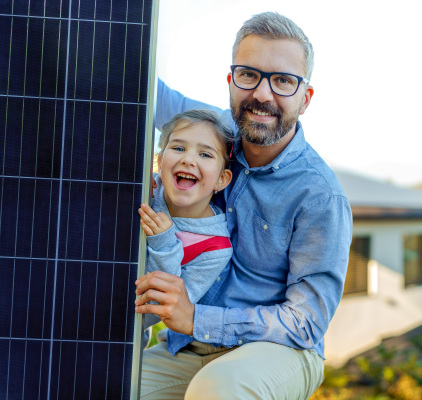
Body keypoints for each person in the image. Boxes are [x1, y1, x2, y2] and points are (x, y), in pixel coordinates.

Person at [135, 11, 353, 399]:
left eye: (283, 80)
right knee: (99, 378)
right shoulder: (210, 135)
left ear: (305, 99)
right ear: (231, 81)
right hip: (189, 346)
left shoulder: (320, 196)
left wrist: (196, 317)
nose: (263, 94)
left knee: (218, 389)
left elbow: (305, 322)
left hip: (280, 352)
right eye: (249, 75)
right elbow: (143, 86)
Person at [138, 110, 234, 348]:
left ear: (221, 179)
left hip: (122, 333)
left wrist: (164, 244)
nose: (189, 160)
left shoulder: (214, 246)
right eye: (179, 148)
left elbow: (165, 307)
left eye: (205, 154)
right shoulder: (145, 191)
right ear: (160, 162)